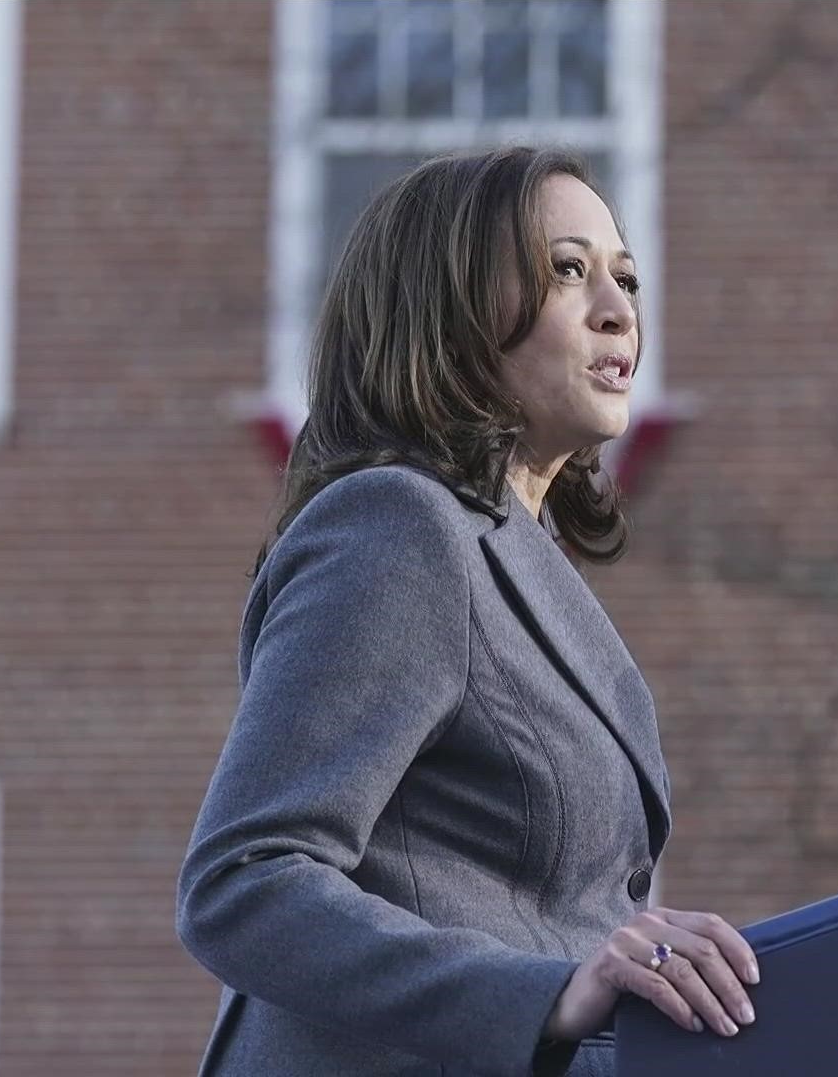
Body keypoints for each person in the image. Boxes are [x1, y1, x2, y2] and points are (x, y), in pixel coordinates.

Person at [175, 146, 759, 1077]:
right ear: (449, 311)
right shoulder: (398, 526)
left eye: (627, 277)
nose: (619, 310)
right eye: (567, 271)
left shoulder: (517, 561)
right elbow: (245, 883)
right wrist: (544, 994)